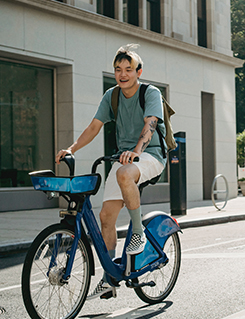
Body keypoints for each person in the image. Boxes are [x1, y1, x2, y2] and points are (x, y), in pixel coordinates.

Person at [56, 44, 167, 298]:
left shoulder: (150, 93)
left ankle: (137, 231)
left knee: (124, 173)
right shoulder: (112, 96)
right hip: (124, 158)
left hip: (150, 155)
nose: (123, 74)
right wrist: (72, 148)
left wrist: (138, 149)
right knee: (106, 217)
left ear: (139, 71)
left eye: (129, 69)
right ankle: (111, 277)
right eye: (118, 69)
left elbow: (150, 125)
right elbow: (94, 127)